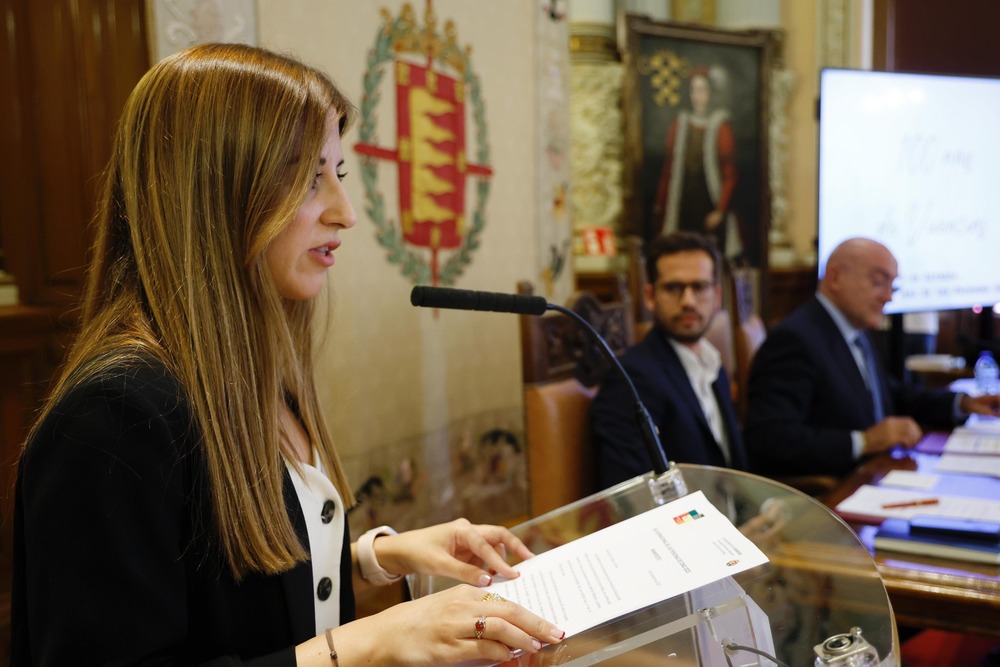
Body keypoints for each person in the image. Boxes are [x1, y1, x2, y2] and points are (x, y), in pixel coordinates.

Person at [11, 43, 564, 666]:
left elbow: (235, 597)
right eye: (307, 178)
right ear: (213, 193)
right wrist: (371, 644)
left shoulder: (251, 371)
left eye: (339, 173)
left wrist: (379, 557)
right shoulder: (112, 416)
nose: (345, 211)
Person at [743, 237, 1000, 477]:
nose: (888, 297)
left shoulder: (854, 329)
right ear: (834, 277)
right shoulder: (795, 339)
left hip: (876, 473)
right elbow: (770, 438)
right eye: (879, 282)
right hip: (833, 492)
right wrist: (864, 441)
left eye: (892, 286)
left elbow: (889, 394)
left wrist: (962, 403)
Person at [591, 232, 748, 489]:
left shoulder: (714, 364)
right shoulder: (631, 379)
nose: (688, 301)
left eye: (699, 287)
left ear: (717, 296)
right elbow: (629, 493)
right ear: (650, 296)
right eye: (674, 288)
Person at [651, 65, 744, 261]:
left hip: (709, 207)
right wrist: (661, 203)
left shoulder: (721, 126)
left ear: (711, 93)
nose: (697, 96)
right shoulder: (680, 124)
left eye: (702, 90)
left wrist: (719, 211)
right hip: (684, 206)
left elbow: (729, 175)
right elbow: (669, 170)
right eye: (694, 90)